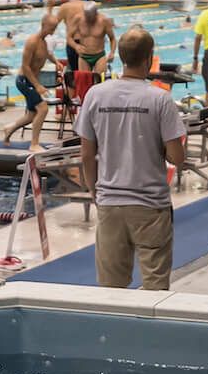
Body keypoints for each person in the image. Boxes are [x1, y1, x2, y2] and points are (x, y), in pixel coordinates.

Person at [74, 27, 182, 291]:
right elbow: (177, 157)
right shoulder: (160, 98)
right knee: (155, 290)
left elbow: (86, 154)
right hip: (150, 206)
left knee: (112, 290)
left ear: (121, 56)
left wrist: (93, 190)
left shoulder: (96, 94)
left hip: (110, 203)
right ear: (149, 58)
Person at [3, 23, 57, 146]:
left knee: (31, 115)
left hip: (31, 82)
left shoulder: (43, 43)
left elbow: (47, 54)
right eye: (52, 28)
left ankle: (9, 130)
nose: (54, 30)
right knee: (43, 109)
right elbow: (25, 67)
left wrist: (56, 62)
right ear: (45, 26)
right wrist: (37, 85)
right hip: (24, 81)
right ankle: (34, 144)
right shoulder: (32, 41)